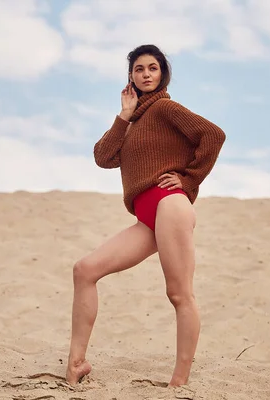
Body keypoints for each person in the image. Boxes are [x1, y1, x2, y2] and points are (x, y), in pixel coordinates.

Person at [65, 44, 226, 387]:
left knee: (179, 293)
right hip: (146, 218)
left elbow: (213, 135)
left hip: (170, 205)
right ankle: (76, 364)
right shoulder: (134, 120)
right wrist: (124, 114)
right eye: (139, 69)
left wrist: (189, 178)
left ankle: (178, 383)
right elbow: (104, 156)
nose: (146, 74)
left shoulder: (166, 109)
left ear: (162, 74)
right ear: (131, 77)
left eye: (153, 68)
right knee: (85, 270)